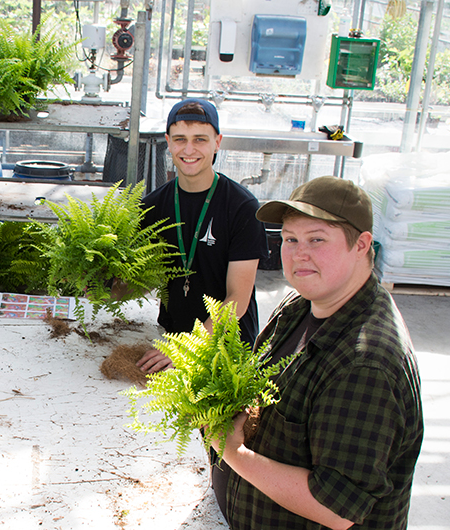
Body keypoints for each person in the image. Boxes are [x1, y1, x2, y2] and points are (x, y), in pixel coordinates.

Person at [210, 176, 423, 529]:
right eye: (290, 239)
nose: (299, 253)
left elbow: (336, 509)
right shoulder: (302, 305)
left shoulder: (366, 362)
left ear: (362, 244)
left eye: (317, 239)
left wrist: (232, 452)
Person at [138, 99, 267, 373]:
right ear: (168, 142)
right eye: (180, 139)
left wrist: (188, 346)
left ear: (217, 141)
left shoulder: (242, 208)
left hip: (228, 347)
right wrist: (104, 286)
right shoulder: (152, 206)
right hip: (170, 339)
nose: (188, 149)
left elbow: (237, 299)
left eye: (200, 139)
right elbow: (142, 278)